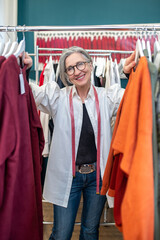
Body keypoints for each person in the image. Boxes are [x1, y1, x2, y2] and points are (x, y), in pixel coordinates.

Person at [24, 47, 136, 240]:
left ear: (91, 65)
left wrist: (128, 73)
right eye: (70, 68)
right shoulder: (57, 97)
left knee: (91, 231)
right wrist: (23, 71)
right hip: (68, 175)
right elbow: (29, 95)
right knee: (61, 233)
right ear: (66, 74)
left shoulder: (107, 96)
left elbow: (134, 98)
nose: (77, 71)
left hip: (98, 178)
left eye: (80, 64)